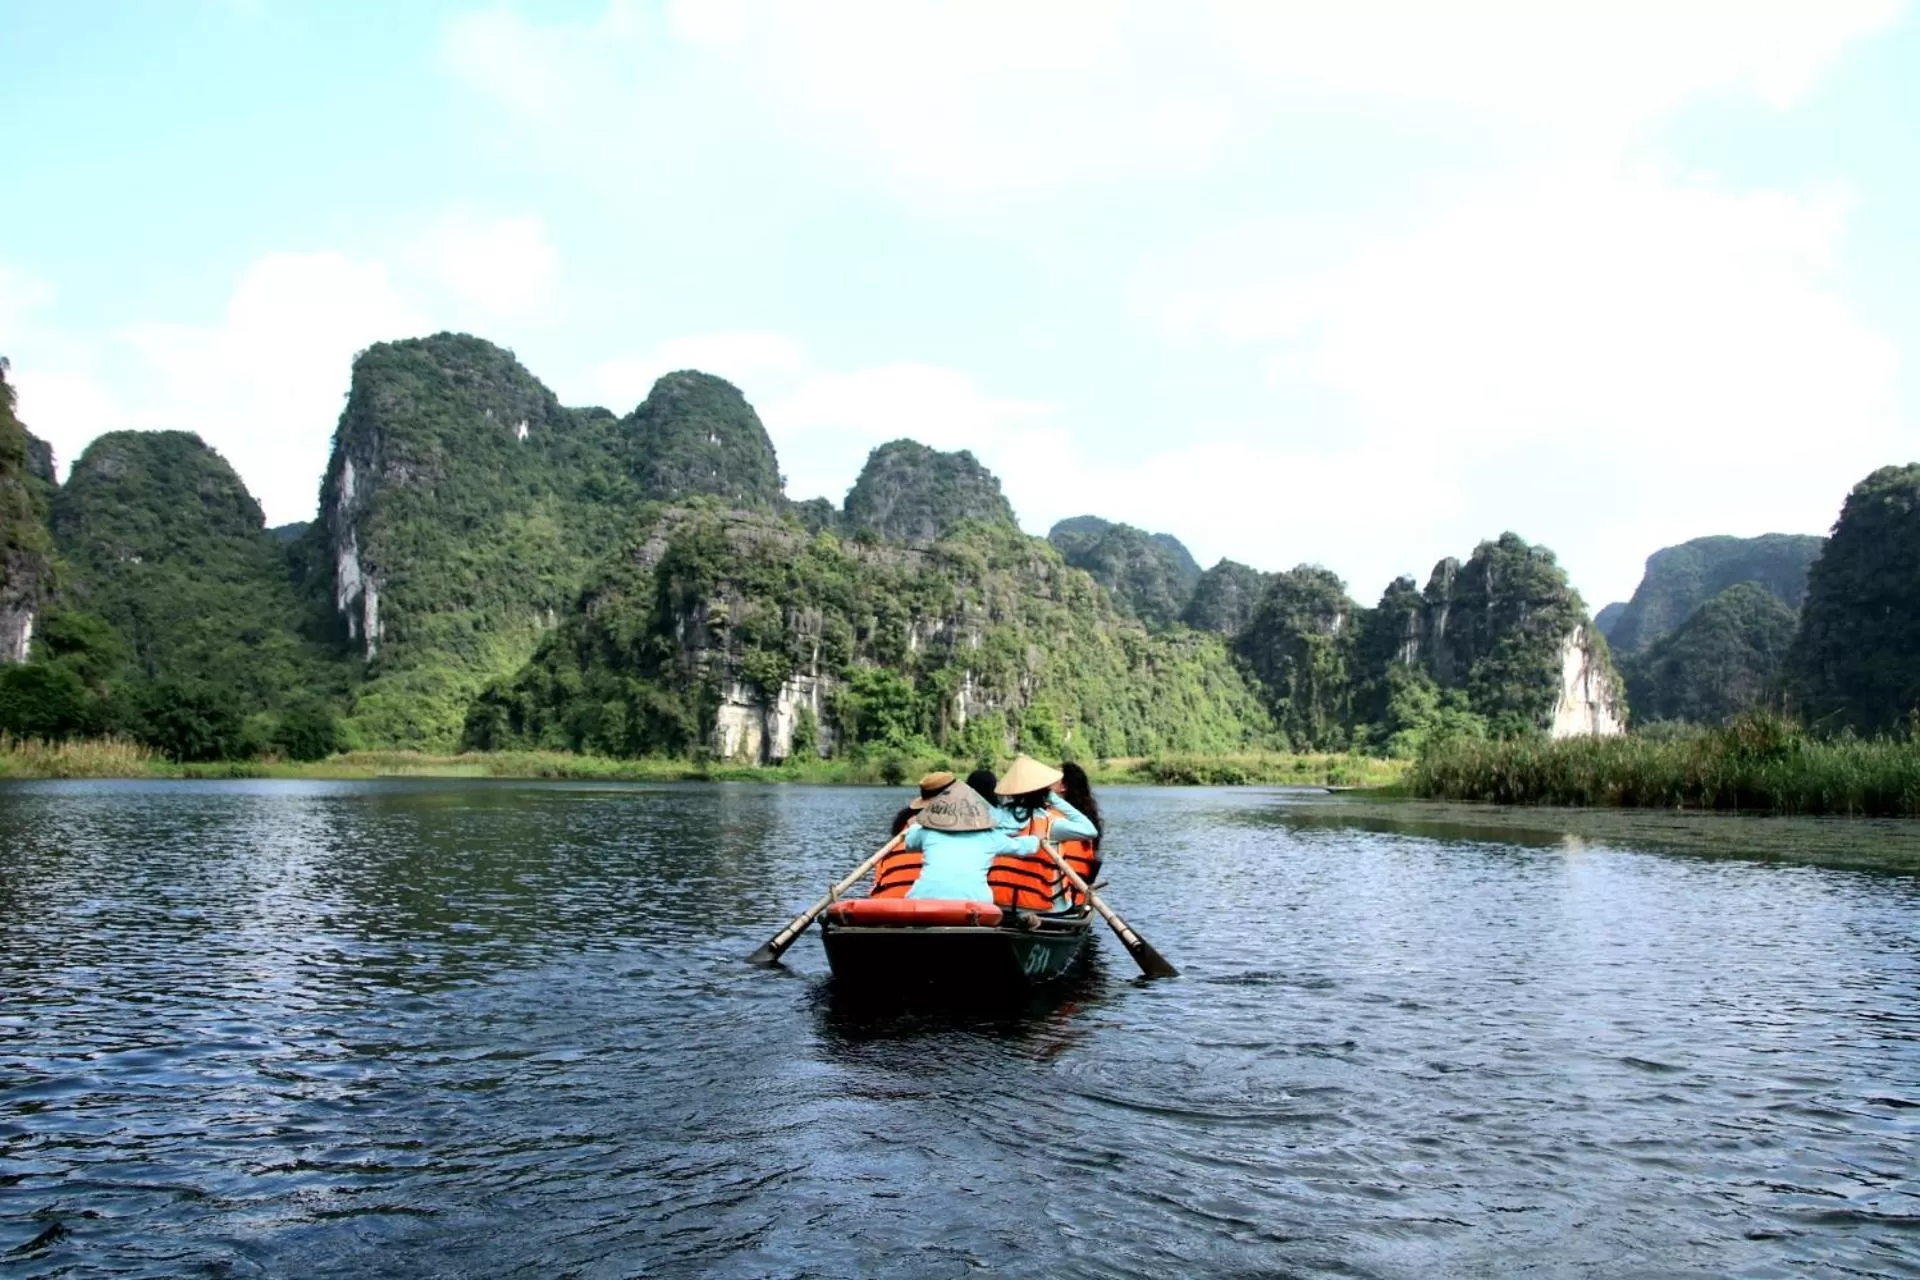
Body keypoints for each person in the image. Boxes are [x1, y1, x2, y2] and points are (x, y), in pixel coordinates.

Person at [899, 782, 1044, 903]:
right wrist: (1036, 837)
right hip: (976, 901)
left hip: (922, 898)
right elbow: (1026, 848)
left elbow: (910, 845)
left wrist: (914, 826)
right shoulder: (991, 837)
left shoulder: (926, 831)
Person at [989, 755, 1099, 911]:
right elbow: (1090, 830)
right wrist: (1055, 800)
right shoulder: (1050, 823)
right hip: (1041, 908)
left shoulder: (994, 817)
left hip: (996, 904)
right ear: (1044, 792)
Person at [1052, 761, 1103, 903]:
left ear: (1063, 787)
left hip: (1056, 897)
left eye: (1052, 778)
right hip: (1075, 897)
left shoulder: (1051, 818)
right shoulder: (1088, 819)